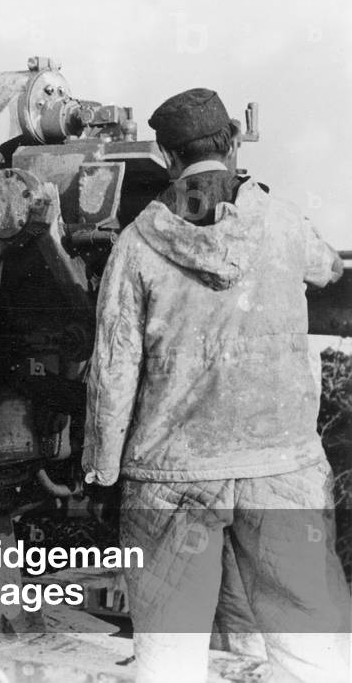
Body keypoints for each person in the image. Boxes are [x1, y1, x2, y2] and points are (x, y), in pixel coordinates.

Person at [82, 88, 349, 682]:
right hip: (281, 471)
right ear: (231, 144)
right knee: (313, 644)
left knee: (170, 658)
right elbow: (328, 267)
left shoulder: (134, 246)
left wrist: (102, 472)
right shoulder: (280, 222)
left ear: (164, 155)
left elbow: (113, 372)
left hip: (172, 480)